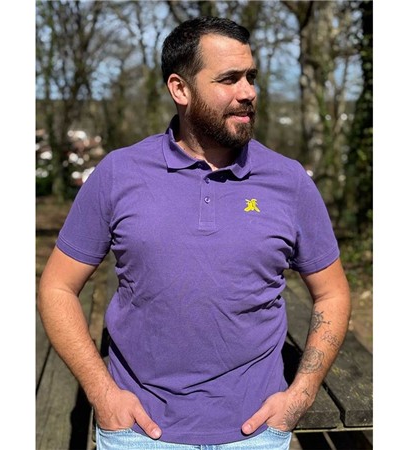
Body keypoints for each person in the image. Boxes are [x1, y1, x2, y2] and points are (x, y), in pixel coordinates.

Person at [37, 16, 351, 450]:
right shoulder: (119, 173)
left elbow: (332, 293)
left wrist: (301, 394)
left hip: (255, 434)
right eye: (229, 79)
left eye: (251, 77)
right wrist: (103, 393)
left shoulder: (289, 181)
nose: (248, 92)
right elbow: (57, 287)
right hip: (138, 433)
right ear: (180, 89)